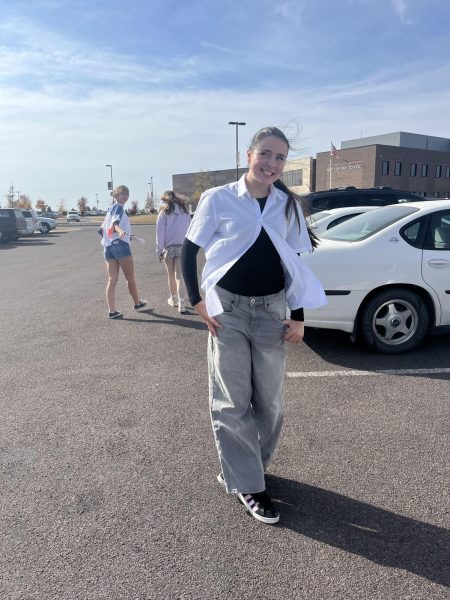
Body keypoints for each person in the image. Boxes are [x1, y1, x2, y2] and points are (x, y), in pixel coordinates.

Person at [181, 126, 326, 524]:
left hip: (271, 310)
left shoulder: (287, 206)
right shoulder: (218, 199)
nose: (272, 164)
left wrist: (299, 317)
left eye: (280, 158)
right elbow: (190, 250)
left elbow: (295, 263)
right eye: (266, 153)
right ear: (249, 154)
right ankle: (249, 483)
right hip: (226, 309)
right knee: (231, 399)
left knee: (270, 402)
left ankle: (245, 467)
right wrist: (196, 301)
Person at [100, 185, 147, 319]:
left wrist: (129, 236)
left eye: (127, 193)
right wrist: (120, 232)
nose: (125, 196)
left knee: (112, 279)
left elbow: (102, 230)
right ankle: (137, 303)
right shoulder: (119, 208)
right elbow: (115, 225)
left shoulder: (109, 210)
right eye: (122, 193)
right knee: (130, 277)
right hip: (120, 247)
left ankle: (112, 311)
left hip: (108, 248)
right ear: (116, 195)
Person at [156, 191, 191, 314]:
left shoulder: (163, 213)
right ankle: (182, 302)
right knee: (179, 276)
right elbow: (189, 230)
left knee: (170, 275)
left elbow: (160, 233)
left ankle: (173, 298)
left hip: (168, 248)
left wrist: (159, 251)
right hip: (182, 246)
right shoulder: (185, 213)